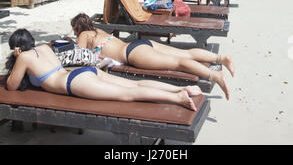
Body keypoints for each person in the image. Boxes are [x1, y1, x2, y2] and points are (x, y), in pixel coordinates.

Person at [5, 29, 203, 111]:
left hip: (73, 83)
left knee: (128, 94)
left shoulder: (23, 57)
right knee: (134, 85)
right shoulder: (44, 48)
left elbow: (12, 86)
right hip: (82, 73)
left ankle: (179, 98)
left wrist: (17, 56)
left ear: (16, 47)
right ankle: (180, 89)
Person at [71, 13, 234, 100]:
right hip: (138, 44)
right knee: (186, 53)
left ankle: (215, 75)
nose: (74, 32)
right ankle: (221, 59)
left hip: (133, 54)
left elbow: (77, 56)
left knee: (179, 63)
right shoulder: (98, 31)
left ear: (78, 27)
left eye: (74, 29)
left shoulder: (84, 35)